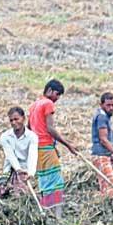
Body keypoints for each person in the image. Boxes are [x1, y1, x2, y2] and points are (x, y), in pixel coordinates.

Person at [28, 79, 76, 216]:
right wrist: (68, 145)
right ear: (49, 91)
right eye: (57, 94)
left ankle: (46, 213)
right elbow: (50, 129)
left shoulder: (34, 105)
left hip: (38, 149)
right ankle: (57, 216)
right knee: (56, 182)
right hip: (46, 148)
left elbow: (29, 129)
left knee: (45, 181)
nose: (57, 98)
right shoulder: (48, 103)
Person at [0, 106, 38, 198]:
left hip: (26, 169)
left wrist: (30, 173)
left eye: (16, 119)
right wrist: (18, 169)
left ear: (23, 118)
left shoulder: (32, 137)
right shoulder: (5, 137)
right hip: (11, 168)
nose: (14, 122)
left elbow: (32, 156)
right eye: (11, 120)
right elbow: (10, 155)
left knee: (23, 196)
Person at [90, 92, 113, 197]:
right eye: (108, 105)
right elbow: (103, 140)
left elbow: (105, 131)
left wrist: (112, 132)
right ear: (101, 104)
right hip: (101, 155)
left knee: (110, 183)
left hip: (106, 154)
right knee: (112, 186)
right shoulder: (101, 117)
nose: (111, 108)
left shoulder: (105, 115)